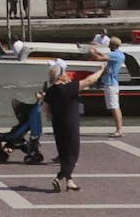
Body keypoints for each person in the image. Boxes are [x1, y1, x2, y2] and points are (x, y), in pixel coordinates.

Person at [42, 59, 86, 193]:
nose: (67, 74)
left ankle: (69, 181)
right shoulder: (68, 88)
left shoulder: (50, 90)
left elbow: (46, 109)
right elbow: (88, 81)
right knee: (73, 153)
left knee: (64, 153)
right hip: (70, 123)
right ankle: (59, 177)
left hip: (57, 123)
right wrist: (101, 71)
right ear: (60, 75)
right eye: (65, 73)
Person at [97, 37, 126, 136]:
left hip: (111, 84)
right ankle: (119, 129)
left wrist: (91, 51)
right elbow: (104, 56)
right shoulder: (120, 54)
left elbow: (99, 58)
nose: (109, 45)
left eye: (110, 44)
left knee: (114, 107)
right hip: (112, 83)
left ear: (113, 45)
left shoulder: (114, 55)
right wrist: (97, 51)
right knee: (114, 107)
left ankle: (119, 130)